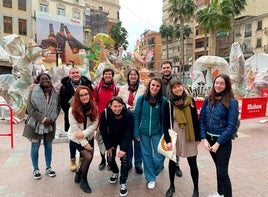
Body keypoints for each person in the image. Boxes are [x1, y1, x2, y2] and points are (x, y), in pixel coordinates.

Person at [199, 74, 239, 197]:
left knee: (223, 172)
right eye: (216, 83)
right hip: (210, 140)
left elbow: (231, 126)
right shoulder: (208, 99)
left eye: (222, 83)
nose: (218, 85)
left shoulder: (232, 102)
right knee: (218, 168)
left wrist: (218, 143)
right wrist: (204, 139)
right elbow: (201, 120)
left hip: (222, 142)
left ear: (226, 85)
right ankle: (220, 192)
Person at [163, 79, 200, 197]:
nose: (177, 89)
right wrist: (168, 141)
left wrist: (198, 136)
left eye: (179, 86)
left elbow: (195, 119)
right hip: (175, 135)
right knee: (173, 162)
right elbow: (165, 124)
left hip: (190, 135)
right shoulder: (168, 104)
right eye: (174, 87)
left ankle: (196, 189)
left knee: (193, 163)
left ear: (182, 86)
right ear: (171, 90)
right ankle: (171, 186)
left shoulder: (190, 100)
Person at [22, 73, 61, 180]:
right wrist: (43, 119)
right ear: (38, 81)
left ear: (50, 80)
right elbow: (30, 109)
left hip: (50, 124)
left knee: (48, 146)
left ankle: (48, 167)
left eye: (47, 79)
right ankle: (36, 169)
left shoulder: (55, 92)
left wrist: (52, 119)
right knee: (35, 147)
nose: (45, 80)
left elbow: (58, 107)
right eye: (42, 79)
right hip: (34, 124)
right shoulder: (33, 91)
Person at [134, 77, 167, 189]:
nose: (154, 87)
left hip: (157, 131)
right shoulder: (141, 99)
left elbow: (164, 119)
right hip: (143, 132)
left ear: (160, 88)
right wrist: (136, 131)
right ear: (149, 85)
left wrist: (164, 134)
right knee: (146, 154)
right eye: (153, 85)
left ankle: (152, 172)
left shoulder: (163, 100)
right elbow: (136, 116)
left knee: (160, 155)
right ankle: (151, 178)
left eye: (157, 86)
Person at [60, 67, 93, 172]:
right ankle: (73, 159)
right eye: (73, 73)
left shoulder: (87, 84)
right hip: (72, 117)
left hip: (86, 116)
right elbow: (62, 102)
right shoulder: (64, 87)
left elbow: (92, 98)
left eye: (77, 72)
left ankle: (82, 158)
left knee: (84, 135)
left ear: (80, 73)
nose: (75, 74)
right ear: (69, 75)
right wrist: (73, 112)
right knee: (73, 138)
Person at [99, 96, 134, 197]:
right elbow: (103, 131)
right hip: (111, 139)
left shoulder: (128, 114)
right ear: (110, 105)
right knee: (110, 159)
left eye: (119, 106)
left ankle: (123, 182)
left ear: (123, 105)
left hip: (124, 139)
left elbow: (129, 132)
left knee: (125, 160)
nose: (117, 109)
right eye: (115, 106)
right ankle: (115, 171)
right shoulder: (105, 113)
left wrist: (123, 149)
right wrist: (108, 146)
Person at [67, 85, 98, 193]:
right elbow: (75, 129)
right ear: (77, 97)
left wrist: (84, 134)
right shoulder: (72, 109)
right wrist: (84, 143)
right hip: (76, 138)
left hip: (88, 136)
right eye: (81, 95)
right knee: (88, 156)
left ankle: (78, 174)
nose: (84, 97)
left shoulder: (93, 106)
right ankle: (83, 181)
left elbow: (95, 124)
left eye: (86, 94)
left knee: (89, 157)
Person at [118, 68, 146, 174]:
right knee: (128, 142)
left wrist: (137, 107)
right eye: (131, 75)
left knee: (138, 142)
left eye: (135, 75)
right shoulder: (122, 88)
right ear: (128, 77)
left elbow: (145, 101)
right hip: (126, 119)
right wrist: (127, 106)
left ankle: (138, 164)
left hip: (138, 119)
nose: (133, 77)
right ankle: (129, 162)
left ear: (138, 76)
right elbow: (119, 101)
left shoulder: (143, 88)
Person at [93, 68, 119, 171]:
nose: (108, 76)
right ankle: (102, 160)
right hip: (100, 118)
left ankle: (110, 160)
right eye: (106, 74)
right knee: (101, 139)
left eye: (109, 74)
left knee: (112, 140)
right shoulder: (97, 88)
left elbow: (118, 104)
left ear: (112, 76)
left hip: (112, 119)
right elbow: (94, 102)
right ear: (103, 75)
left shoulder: (115, 89)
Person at [161, 60, 183, 177]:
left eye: (168, 67)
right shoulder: (159, 81)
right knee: (162, 140)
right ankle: (160, 164)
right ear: (161, 69)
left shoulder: (176, 80)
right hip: (162, 114)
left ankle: (176, 164)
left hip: (175, 113)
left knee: (174, 141)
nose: (166, 69)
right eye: (164, 67)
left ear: (171, 68)